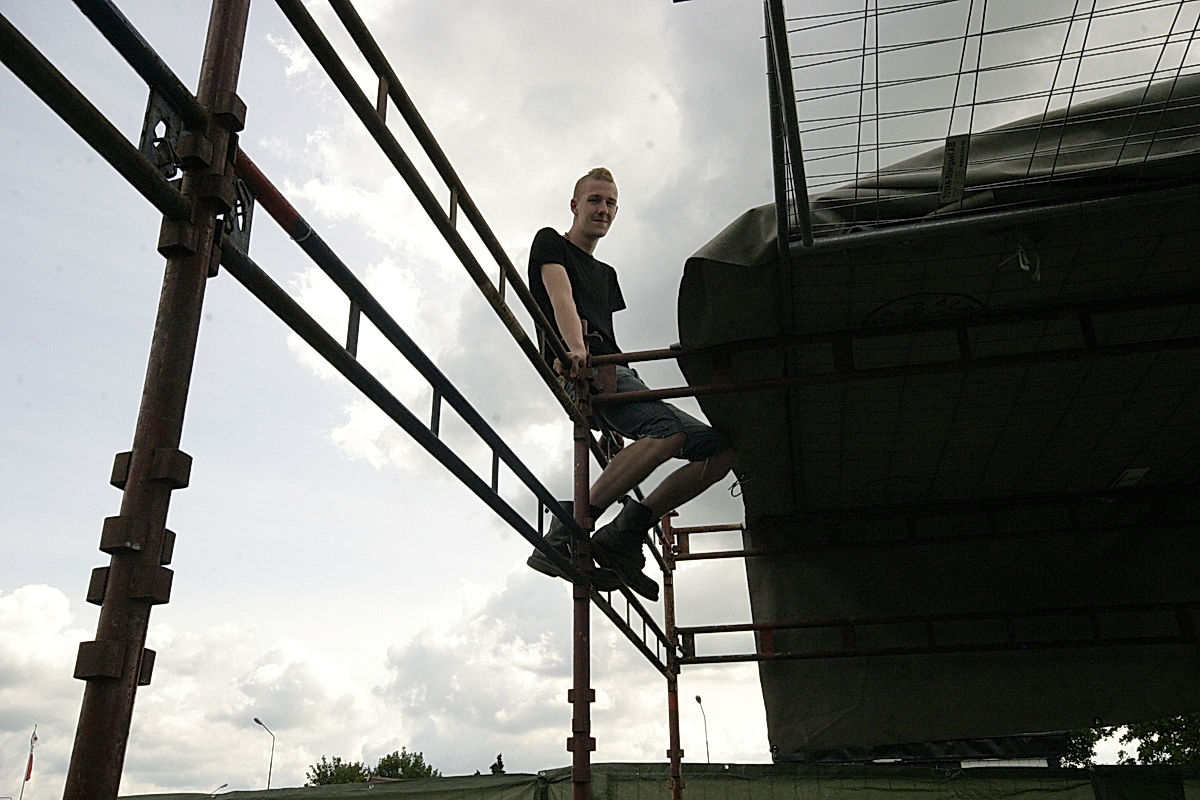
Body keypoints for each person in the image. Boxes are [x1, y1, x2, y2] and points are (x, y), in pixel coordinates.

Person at [525, 167, 738, 602]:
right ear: (575, 205)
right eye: (594, 200)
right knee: (667, 430)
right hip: (582, 367)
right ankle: (572, 525)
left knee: (722, 449)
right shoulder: (550, 242)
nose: (603, 209)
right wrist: (575, 349)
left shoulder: (606, 274)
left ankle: (626, 532)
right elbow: (561, 299)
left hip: (615, 372)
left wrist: (613, 421)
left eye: (610, 203)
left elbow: (609, 334)